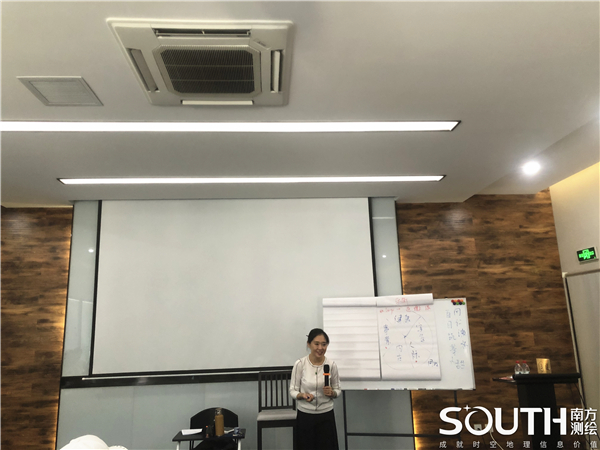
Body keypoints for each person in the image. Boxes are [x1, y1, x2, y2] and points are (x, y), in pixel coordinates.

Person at [289, 328, 341, 450]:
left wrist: (332, 393)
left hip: (326, 415)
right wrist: (302, 395)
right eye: (316, 344)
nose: (320, 348)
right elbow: (292, 390)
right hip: (305, 415)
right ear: (309, 344)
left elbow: (338, 390)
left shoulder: (331, 365)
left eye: (324, 344)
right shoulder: (300, 364)